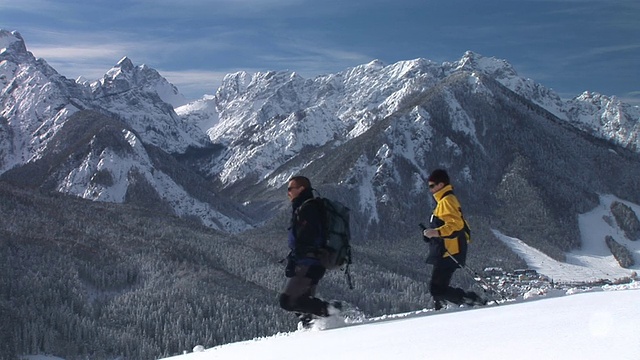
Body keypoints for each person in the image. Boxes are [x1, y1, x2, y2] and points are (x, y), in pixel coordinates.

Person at [278, 176, 341, 328]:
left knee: (288, 301)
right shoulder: (304, 207)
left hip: (309, 263)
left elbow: (308, 238)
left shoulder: (308, 208)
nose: (288, 193)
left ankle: (331, 311)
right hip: (311, 262)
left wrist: (296, 257)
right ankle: (314, 328)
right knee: (303, 300)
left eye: (290, 189)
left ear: (301, 189)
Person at [423, 169, 485, 310]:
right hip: (446, 250)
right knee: (437, 288)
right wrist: (430, 235)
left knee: (437, 289)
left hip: (449, 251)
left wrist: (436, 232)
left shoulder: (447, 201)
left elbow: (456, 225)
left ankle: (471, 300)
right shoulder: (444, 201)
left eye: (432, 186)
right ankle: (444, 307)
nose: (431, 189)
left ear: (441, 184)